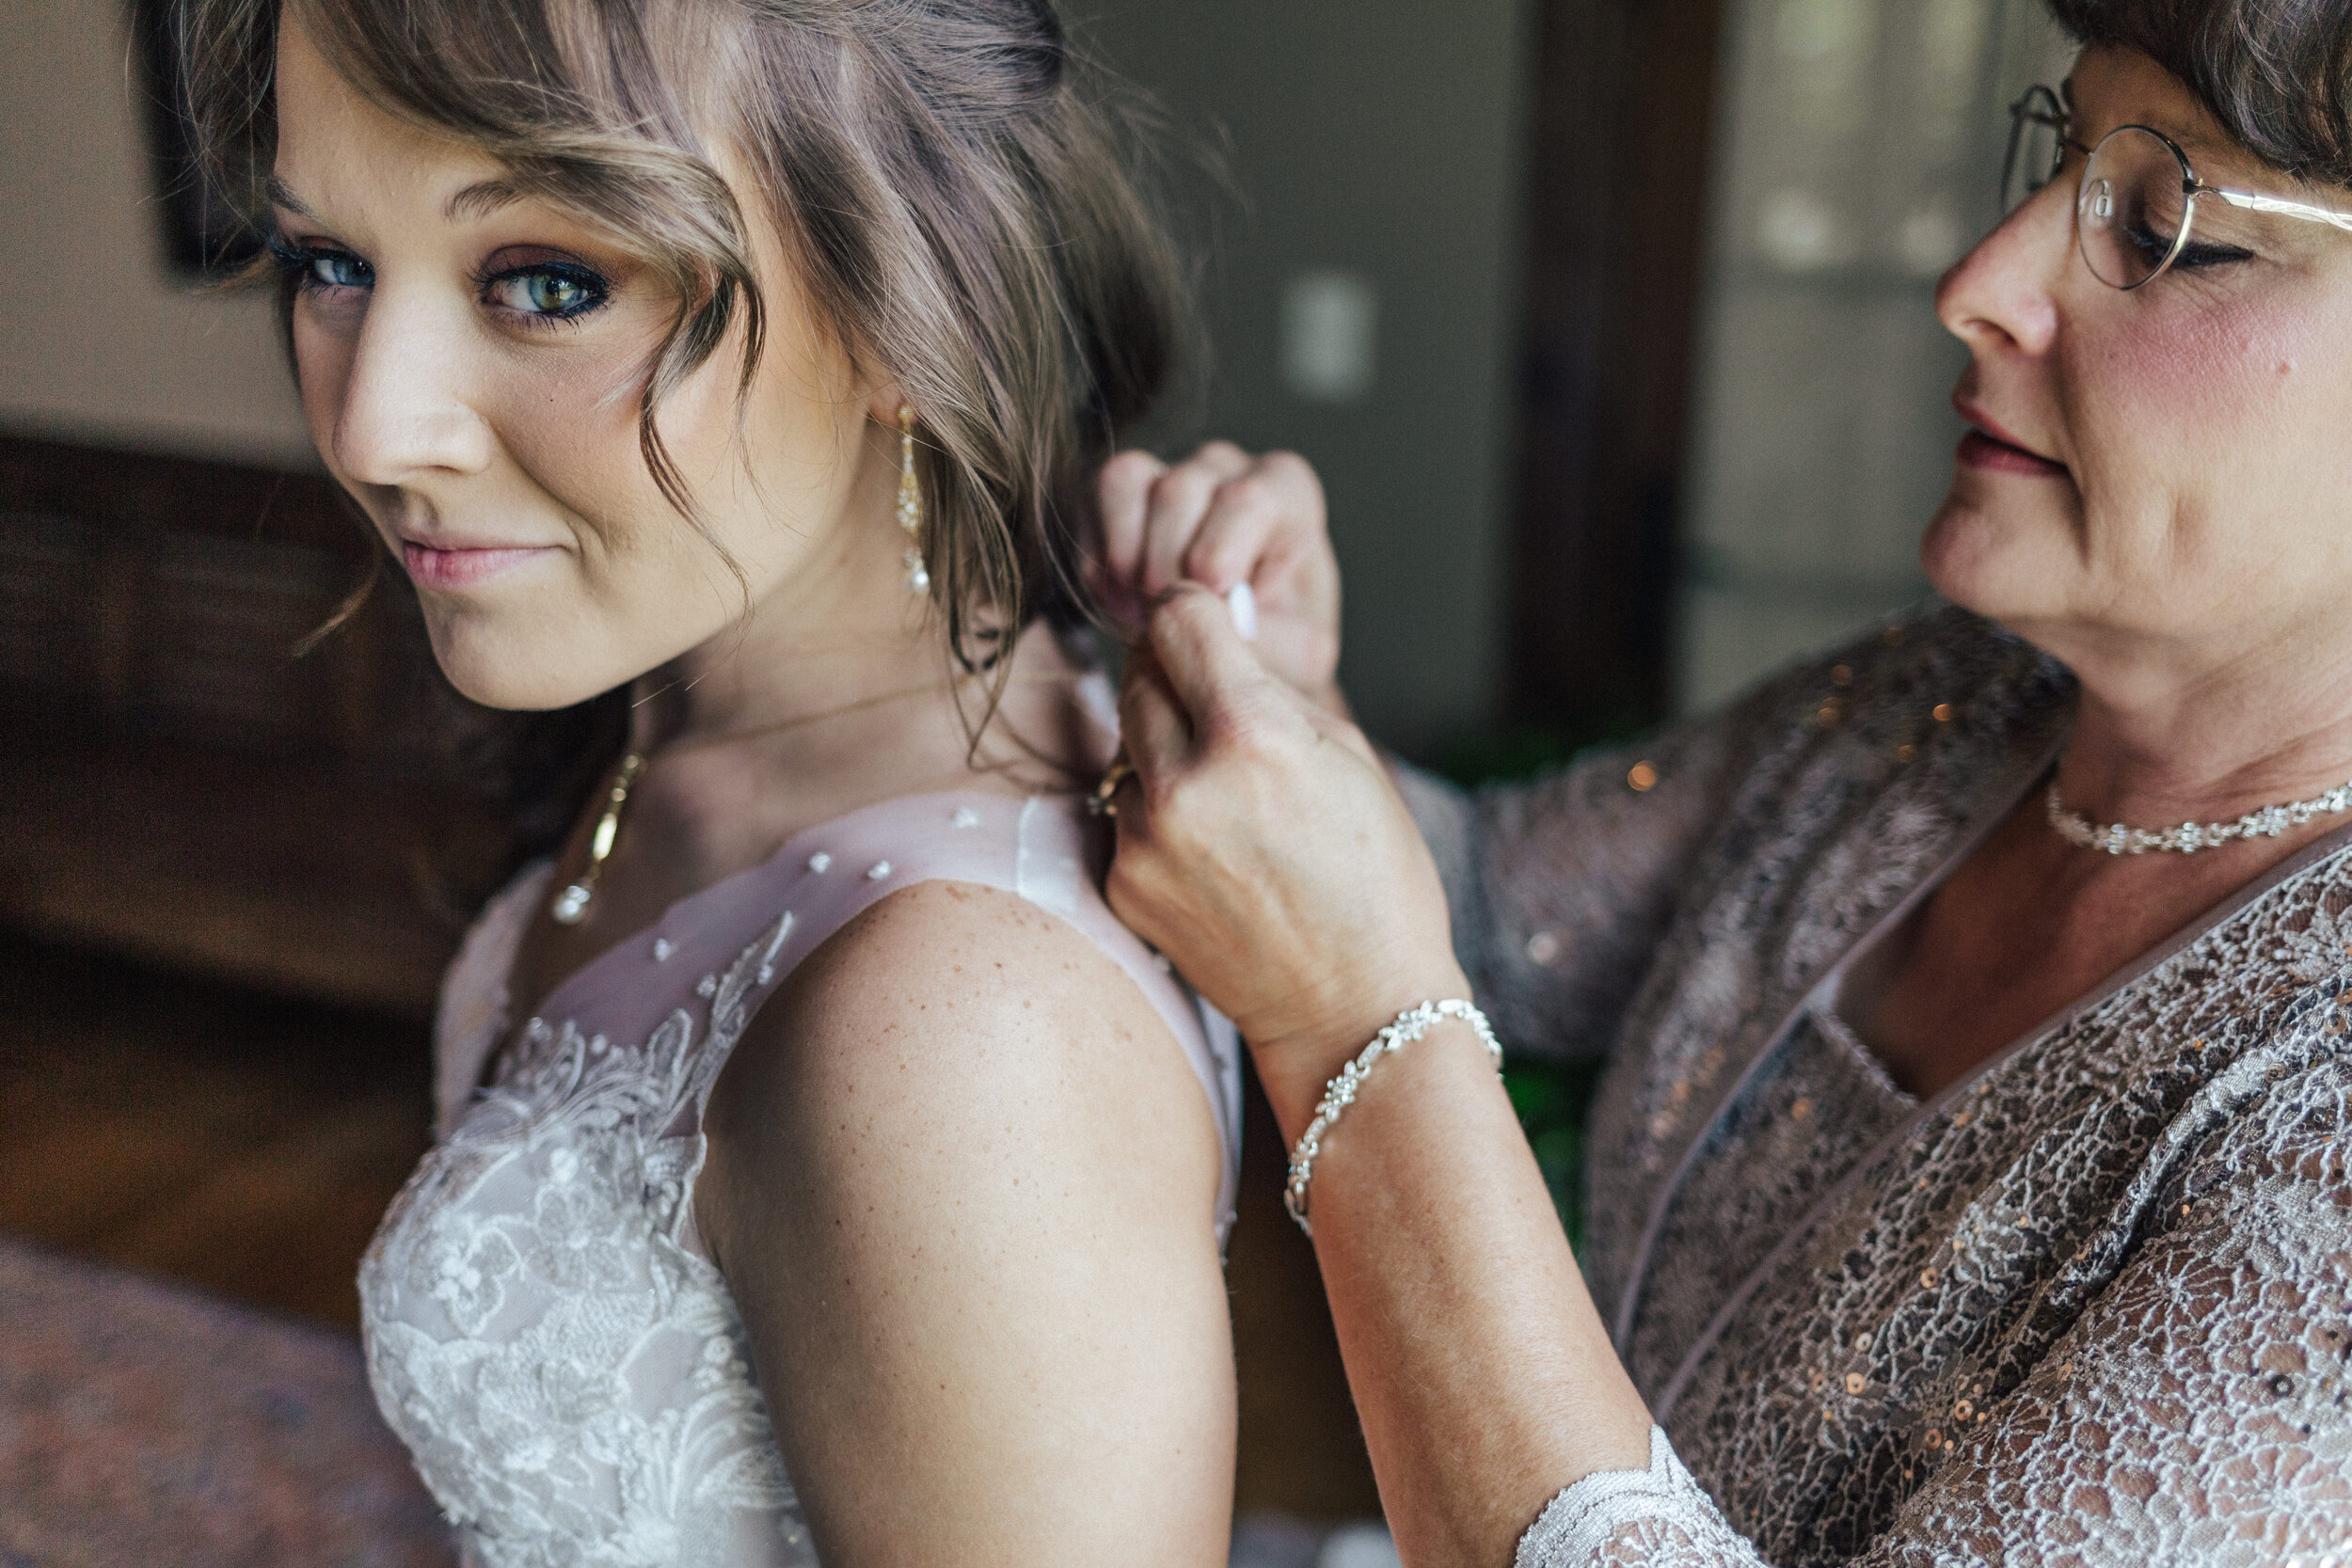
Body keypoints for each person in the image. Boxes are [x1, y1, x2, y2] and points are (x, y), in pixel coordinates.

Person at [1096, 8, 2352, 1563]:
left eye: (2165, 228)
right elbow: (1488, 910)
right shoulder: (1937, 702)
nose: (1977, 283)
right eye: (2063, 158)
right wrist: (1285, 702)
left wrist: (1355, 1026)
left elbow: (1396, 961)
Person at [178, 1, 1245, 1563]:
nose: (374, 428)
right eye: (328, 263)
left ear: (913, 295)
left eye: (549, 282)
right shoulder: (691, 726)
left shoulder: (968, 1035)